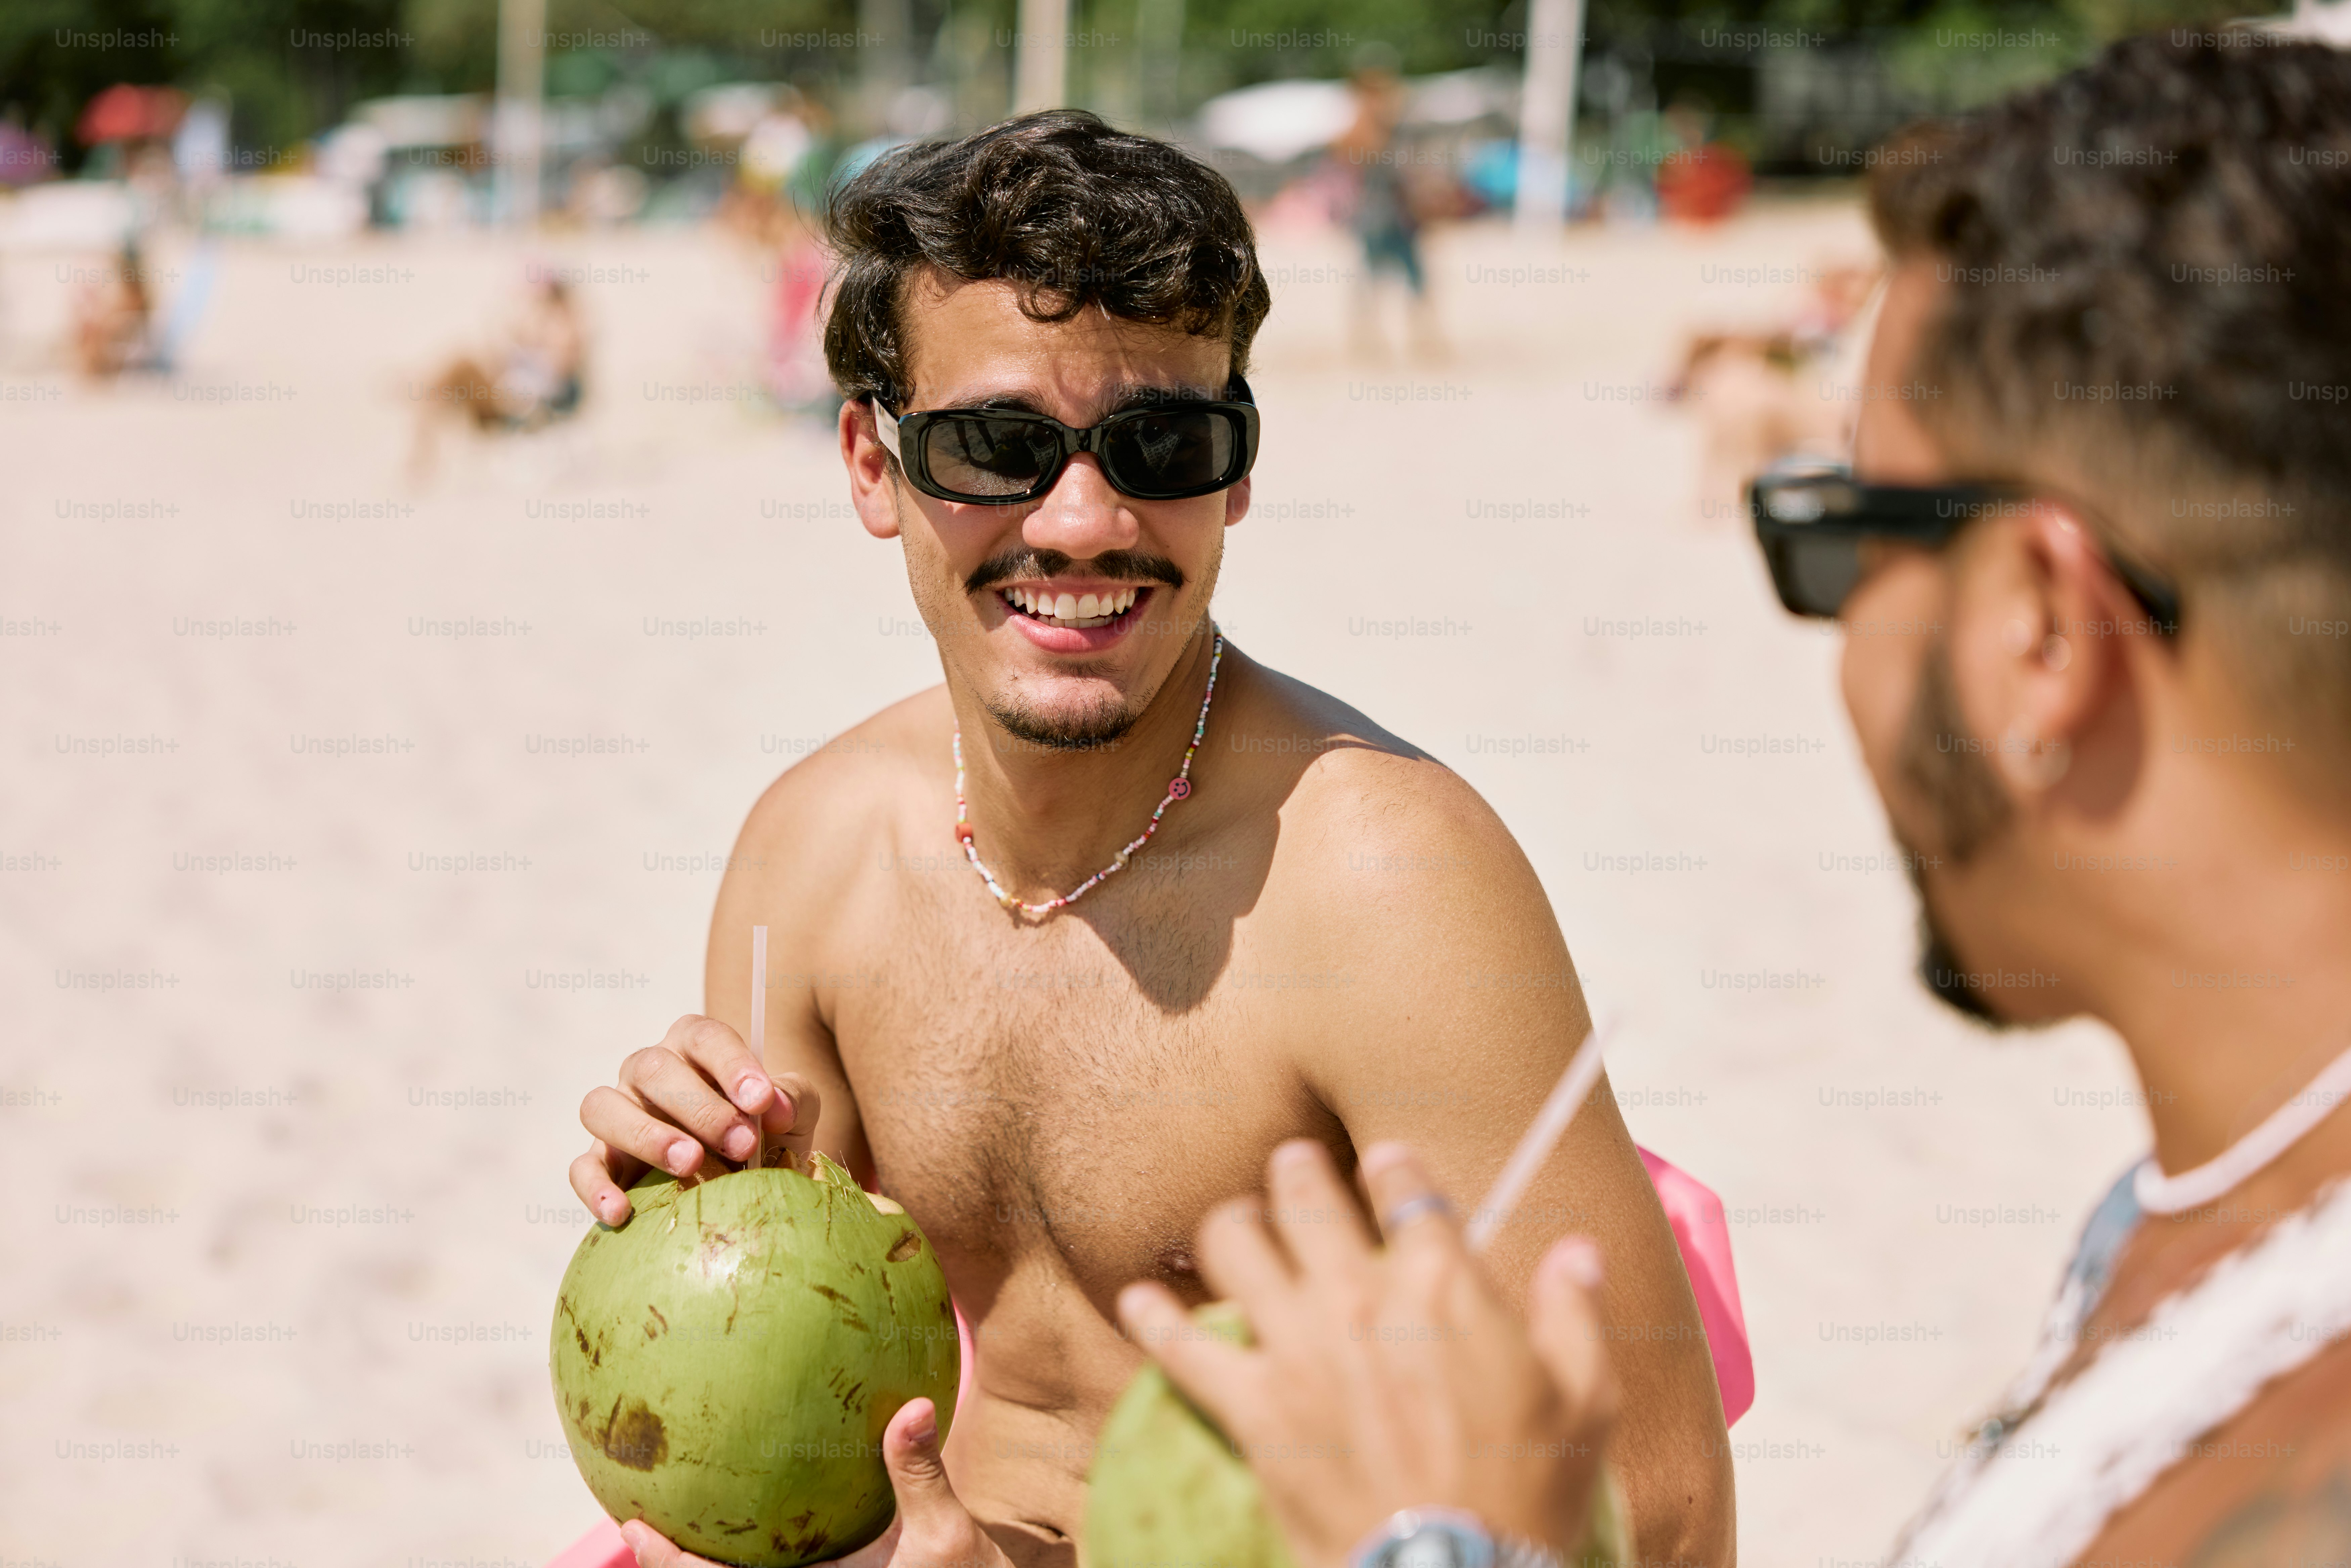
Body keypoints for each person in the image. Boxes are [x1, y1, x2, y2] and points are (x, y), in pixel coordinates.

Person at [1123, 32, 2351, 1567]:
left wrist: (1440, 1546)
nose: (1831, 651)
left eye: (1837, 544)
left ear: (2040, 628)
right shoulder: (2205, 1217)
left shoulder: (2296, 1465)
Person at [578, 111, 1735, 1567]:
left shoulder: (1385, 885)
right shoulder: (809, 859)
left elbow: (1666, 1512)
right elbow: (771, 1415)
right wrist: (694, 1195)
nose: (1082, 518)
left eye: (1162, 443)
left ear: (1238, 469)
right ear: (873, 464)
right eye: (997, 446)